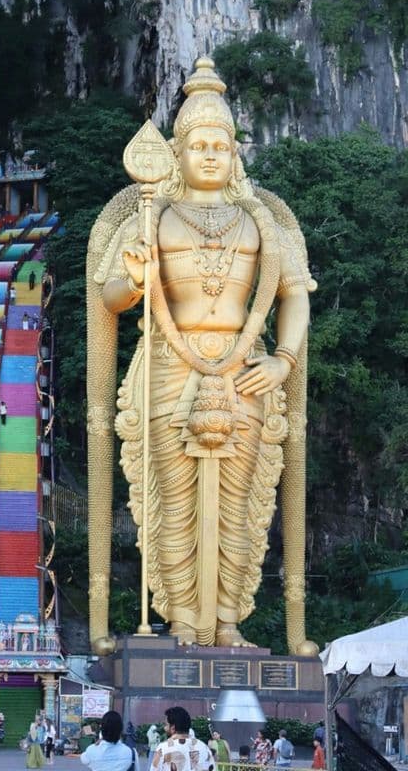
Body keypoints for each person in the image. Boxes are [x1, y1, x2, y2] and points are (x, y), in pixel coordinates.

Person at [87, 57, 318, 653]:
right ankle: (184, 623)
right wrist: (135, 279)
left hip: (245, 371)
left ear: (235, 154)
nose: (210, 156)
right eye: (198, 146)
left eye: (221, 145)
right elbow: (109, 296)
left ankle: (228, 622)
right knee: (175, 500)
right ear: (176, 153)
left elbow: (295, 295)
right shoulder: (154, 215)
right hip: (170, 364)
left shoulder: (260, 221)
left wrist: (283, 360)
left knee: (238, 505)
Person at [152, 706, 212, 771]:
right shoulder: (204, 747)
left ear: (173, 728)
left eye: (166, 725)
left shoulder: (163, 748)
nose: (164, 728)